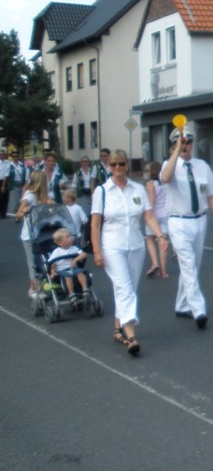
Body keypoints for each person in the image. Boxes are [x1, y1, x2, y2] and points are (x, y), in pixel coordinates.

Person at [91, 149, 168, 356]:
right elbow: (95, 223)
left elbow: (148, 216)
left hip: (135, 246)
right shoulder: (103, 191)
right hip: (112, 246)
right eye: (114, 164)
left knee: (128, 289)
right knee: (124, 287)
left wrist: (160, 236)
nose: (117, 168)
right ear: (109, 167)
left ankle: (118, 328)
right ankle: (131, 334)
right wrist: (97, 251)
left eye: (121, 164)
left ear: (127, 166)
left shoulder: (138, 189)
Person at [160, 125, 213, 329]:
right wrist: (175, 152)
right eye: (181, 142)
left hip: (199, 220)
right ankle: (198, 310)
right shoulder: (169, 165)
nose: (185, 146)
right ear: (174, 145)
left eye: (189, 142)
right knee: (188, 265)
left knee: (193, 266)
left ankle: (182, 305)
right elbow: (164, 178)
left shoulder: (201, 166)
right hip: (178, 221)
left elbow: (211, 195)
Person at [16, 170, 52, 299]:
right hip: (29, 235)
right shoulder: (30, 195)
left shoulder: (42, 196)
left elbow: (51, 204)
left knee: (41, 261)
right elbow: (18, 213)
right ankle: (33, 289)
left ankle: (40, 285)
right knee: (32, 262)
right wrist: (24, 211)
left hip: (39, 233)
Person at [48, 227, 90, 307]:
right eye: (67, 237)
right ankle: (71, 293)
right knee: (68, 276)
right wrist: (53, 272)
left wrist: (76, 260)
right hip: (62, 271)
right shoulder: (57, 252)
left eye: (70, 236)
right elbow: (52, 263)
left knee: (80, 272)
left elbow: (84, 254)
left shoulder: (74, 249)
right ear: (61, 243)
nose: (71, 237)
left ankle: (85, 290)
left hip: (74, 269)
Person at [144, 161, 170, 278]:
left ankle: (155, 263)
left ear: (152, 172)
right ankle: (163, 272)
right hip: (165, 215)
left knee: (149, 239)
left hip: (154, 215)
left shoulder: (150, 184)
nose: (146, 173)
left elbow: (151, 200)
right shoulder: (165, 184)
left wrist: (149, 215)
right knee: (162, 241)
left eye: (147, 170)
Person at [6, 150, 28, 216]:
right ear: (12, 157)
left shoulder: (22, 165)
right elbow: (6, 176)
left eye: (17, 156)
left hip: (22, 184)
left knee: (21, 199)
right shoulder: (10, 165)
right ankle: (16, 212)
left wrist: (26, 184)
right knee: (14, 200)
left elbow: (26, 175)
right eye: (14, 156)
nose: (15, 157)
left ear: (18, 157)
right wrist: (4, 185)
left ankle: (19, 212)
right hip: (14, 184)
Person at [0, 148, 10, 218]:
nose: (2, 155)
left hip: (5, 181)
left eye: (3, 154)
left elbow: (7, 174)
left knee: (5, 197)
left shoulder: (8, 162)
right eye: (1, 154)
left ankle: (4, 213)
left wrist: (3, 186)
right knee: (0, 198)